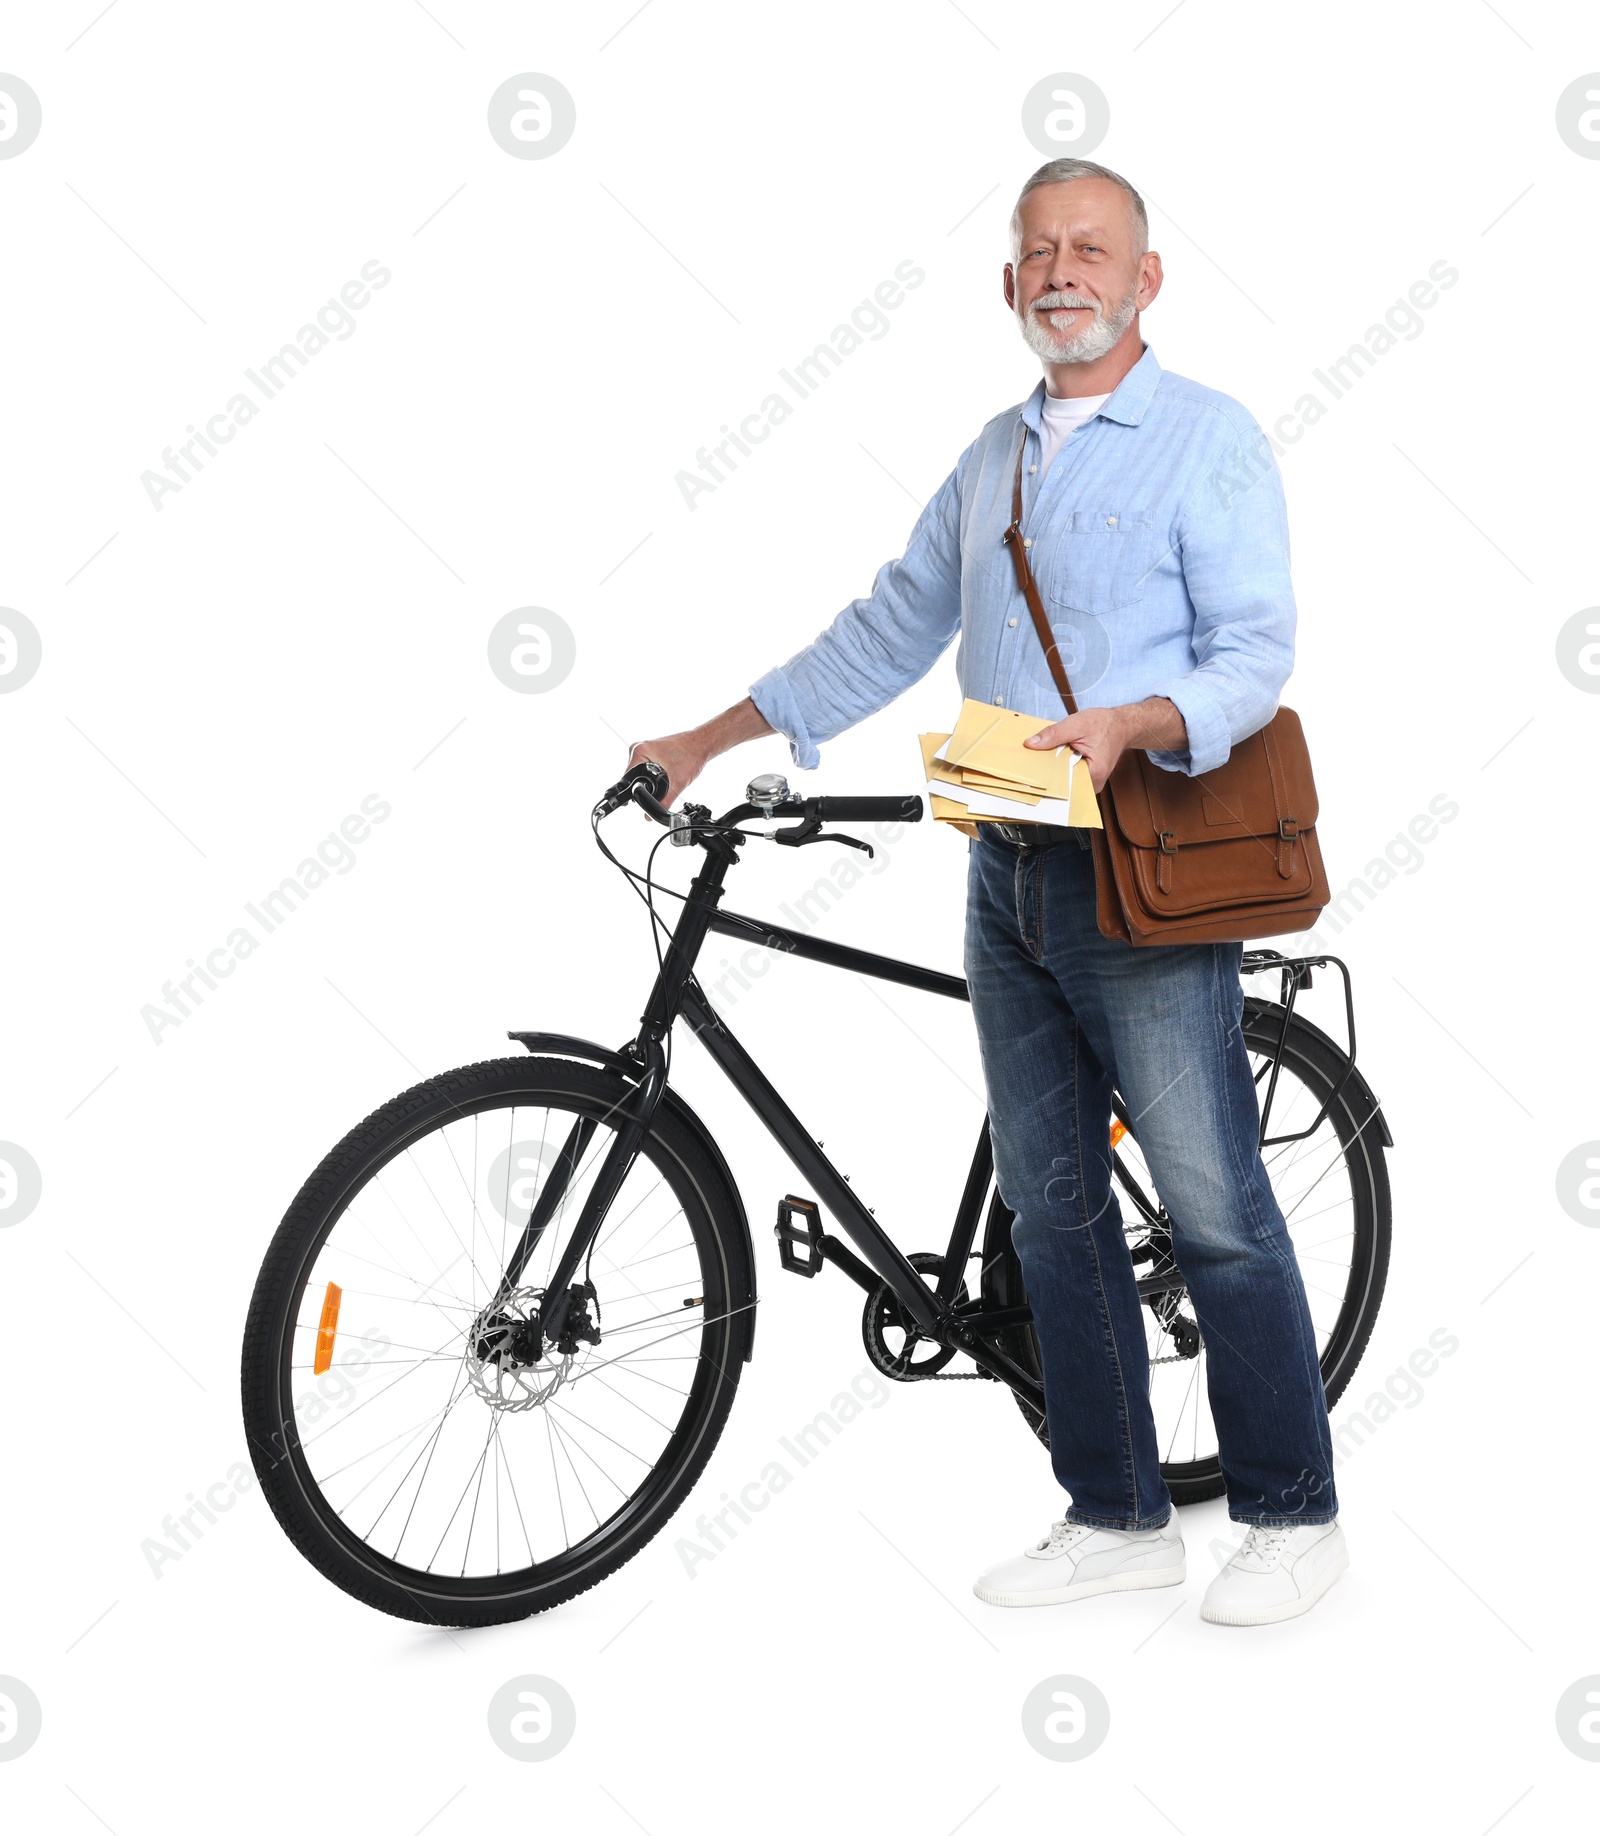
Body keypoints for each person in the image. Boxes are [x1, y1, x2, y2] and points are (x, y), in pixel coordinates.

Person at [628, 158, 1347, 1627]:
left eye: (1092, 249)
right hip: (1005, 849)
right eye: (1038, 252)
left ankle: (1292, 1511)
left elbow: (1253, 657)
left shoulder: (1206, 441)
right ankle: (1117, 1513)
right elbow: (893, 620)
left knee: (1210, 1206)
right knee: (1051, 1210)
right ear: (1009, 284)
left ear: (1148, 278)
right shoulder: (992, 456)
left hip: (1140, 859)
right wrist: (713, 734)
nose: (1062, 271)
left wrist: (1136, 724)